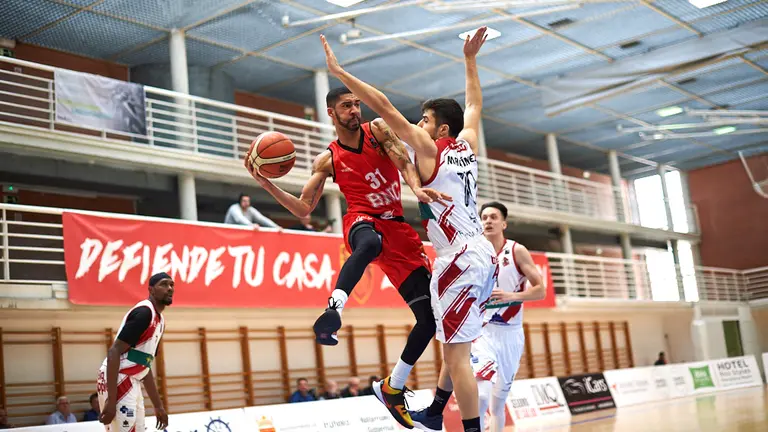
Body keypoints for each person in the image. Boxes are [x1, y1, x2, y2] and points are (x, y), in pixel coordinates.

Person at [321, 27, 497, 432]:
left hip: (458, 258)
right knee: (453, 340)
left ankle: (470, 428)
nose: (418, 124)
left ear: (439, 132)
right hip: (481, 255)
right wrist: (470, 61)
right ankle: (432, 410)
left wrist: (339, 71)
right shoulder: (467, 144)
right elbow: (473, 106)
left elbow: (381, 104)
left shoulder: (430, 149)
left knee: (456, 356)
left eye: (425, 120)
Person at [244, 85, 449, 428]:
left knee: (428, 320)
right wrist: (267, 184)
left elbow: (402, 160)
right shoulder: (327, 159)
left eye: (356, 104)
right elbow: (304, 208)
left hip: (397, 230)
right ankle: (334, 307)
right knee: (367, 245)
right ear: (331, 113)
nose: (355, 110)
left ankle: (393, 386)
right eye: (346, 106)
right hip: (362, 221)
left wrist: (414, 188)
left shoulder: (378, 131)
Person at [411, 202, 545, 432]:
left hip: (510, 333)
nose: (488, 221)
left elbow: (540, 290)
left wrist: (511, 296)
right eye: (484, 217)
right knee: (481, 395)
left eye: (493, 217)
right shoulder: (476, 250)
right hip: (481, 332)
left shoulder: (516, 251)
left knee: (498, 402)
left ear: (504, 223)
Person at [97, 272, 172, 432]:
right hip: (119, 377)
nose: (169, 288)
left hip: (133, 380)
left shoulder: (160, 321)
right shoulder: (144, 313)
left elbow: (145, 365)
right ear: (151, 290)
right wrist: (111, 402)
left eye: (171, 285)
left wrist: (159, 406)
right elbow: (113, 352)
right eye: (164, 284)